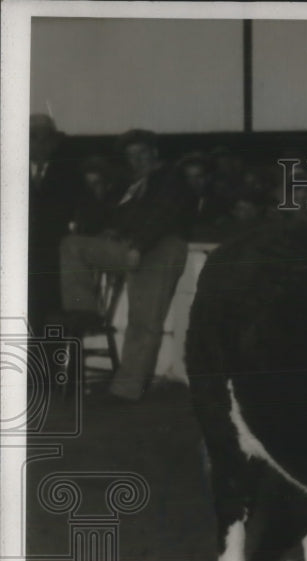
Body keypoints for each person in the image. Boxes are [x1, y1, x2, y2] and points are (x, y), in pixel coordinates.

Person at [58, 129, 195, 400]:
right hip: (130, 246)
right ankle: (83, 310)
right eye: (131, 155)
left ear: (154, 152)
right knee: (72, 244)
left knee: (143, 321)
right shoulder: (129, 184)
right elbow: (109, 215)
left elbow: (163, 214)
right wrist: (111, 230)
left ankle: (126, 390)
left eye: (142, 153)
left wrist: (139, 245)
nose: (136, 160)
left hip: (161, 247)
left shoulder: (171, 177)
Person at [28, 114, 79, 335]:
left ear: (53, 143)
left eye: (45, 138)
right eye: (32, 137)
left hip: (54, 261)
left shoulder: (68, 173)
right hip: (17, 262)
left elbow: (88, 208)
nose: (39, 144)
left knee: (53, 317)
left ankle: (51, 368)